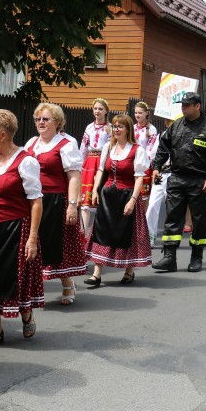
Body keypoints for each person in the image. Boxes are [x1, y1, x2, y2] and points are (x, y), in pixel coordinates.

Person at [0, 109, 43, 349]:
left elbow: (36, 202)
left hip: (16, 229)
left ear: (2, 134)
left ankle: (26, 314)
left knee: (15, 279)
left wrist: (32, 238)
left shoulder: (26, 161)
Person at [152, 92, 206, 273]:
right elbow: (163, 147)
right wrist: (157, 167)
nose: (183, 108)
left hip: (199, 181)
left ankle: (196, 257)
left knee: (199, 220)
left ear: (197, 106)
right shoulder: (176, 125)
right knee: (172, 218)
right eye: (182, 105)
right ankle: (169, 257)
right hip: (177, 178)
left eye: (186, 105)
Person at [24, 103, 86, 305]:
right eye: (38, 119)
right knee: (32, 244)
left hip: (56, 200)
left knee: (54, 246)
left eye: (45, 119)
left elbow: (74, 176)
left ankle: (67, 284)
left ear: (57, 122)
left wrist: (72, 205)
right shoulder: (32, 143)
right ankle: (30, 290)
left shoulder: (66, 144)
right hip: (33, 200)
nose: (41, 122)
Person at [84, 114, 152, 286]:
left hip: (126, 195)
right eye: (114, 126)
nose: (116, 129)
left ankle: (129, 271)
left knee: (126, 234)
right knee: (101, 231)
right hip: (108, 196)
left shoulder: (137, 150)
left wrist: (133, 200)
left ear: (128, 129)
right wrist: (95, 190)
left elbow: (139, 178)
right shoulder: (108, 147)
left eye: (120, 126)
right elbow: (101, 170)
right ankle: (96, 274)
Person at [80, 98, 112, 232]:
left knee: (101, 196)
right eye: (95, 108)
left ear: (106, 111)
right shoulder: (89, 127)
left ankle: (99, 231)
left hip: (103, 161)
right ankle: (83, 233)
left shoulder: (109, 128)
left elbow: (112, 147)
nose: (97, 111)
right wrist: (80, 165)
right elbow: (84, 147)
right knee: (85, 201)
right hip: (90, 162)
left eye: (100, 109)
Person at [146, 119, 173, 247]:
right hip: (161, 173)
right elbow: (152, 154)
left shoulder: (184, 134)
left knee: (172, 207)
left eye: (172, 121)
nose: (169, 122)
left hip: (175, 174)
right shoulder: (161, 135)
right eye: (168, 121)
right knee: (152, 205)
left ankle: (170, 237)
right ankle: (150, 235)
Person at [133, 101, 158, 207]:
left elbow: (151, 149)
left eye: (140, 113)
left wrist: (144, 162)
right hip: (131, 162)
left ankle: (144, 219)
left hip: (144, 163)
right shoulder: (132, 127)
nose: (137, 115)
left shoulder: (152, 129)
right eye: (136, 113)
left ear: (146, 113)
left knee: (144, 194)